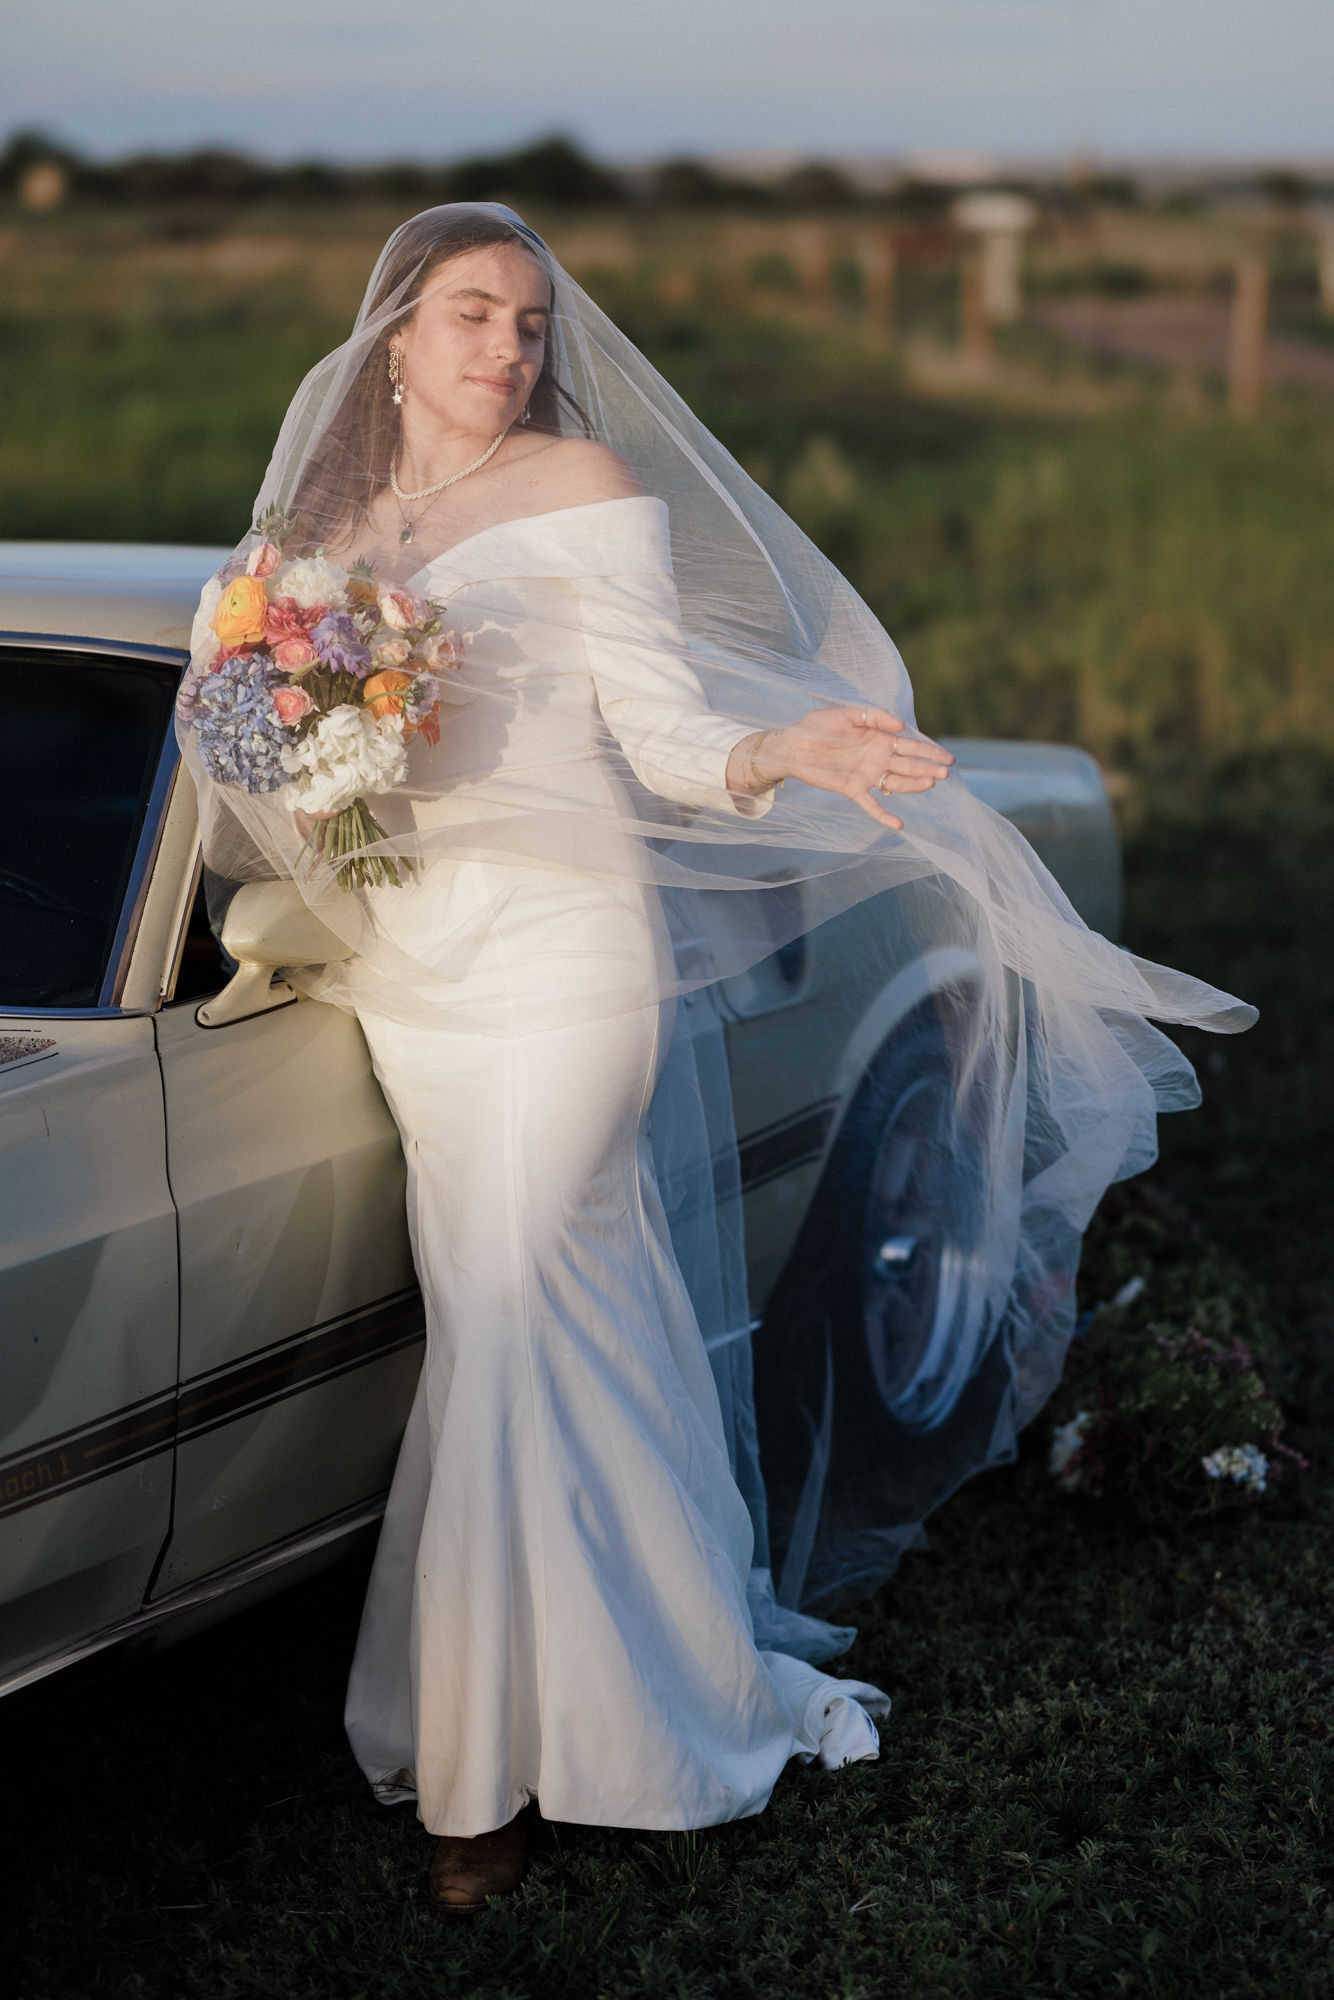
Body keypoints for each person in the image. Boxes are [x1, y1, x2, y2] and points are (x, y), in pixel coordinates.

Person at [178, 205, 1254, 1912]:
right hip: (416, 968)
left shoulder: (588, 492)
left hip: (565, 951)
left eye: (528, 322)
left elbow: (659, 733)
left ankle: (486, 1782)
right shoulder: (322, 522)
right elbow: (244, 731)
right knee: (529, 1317)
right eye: (470, 316)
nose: (506, 350)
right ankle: (629, 1679)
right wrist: (318, 749)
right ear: (391, 335)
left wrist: (779, 748)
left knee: (525, 1305)